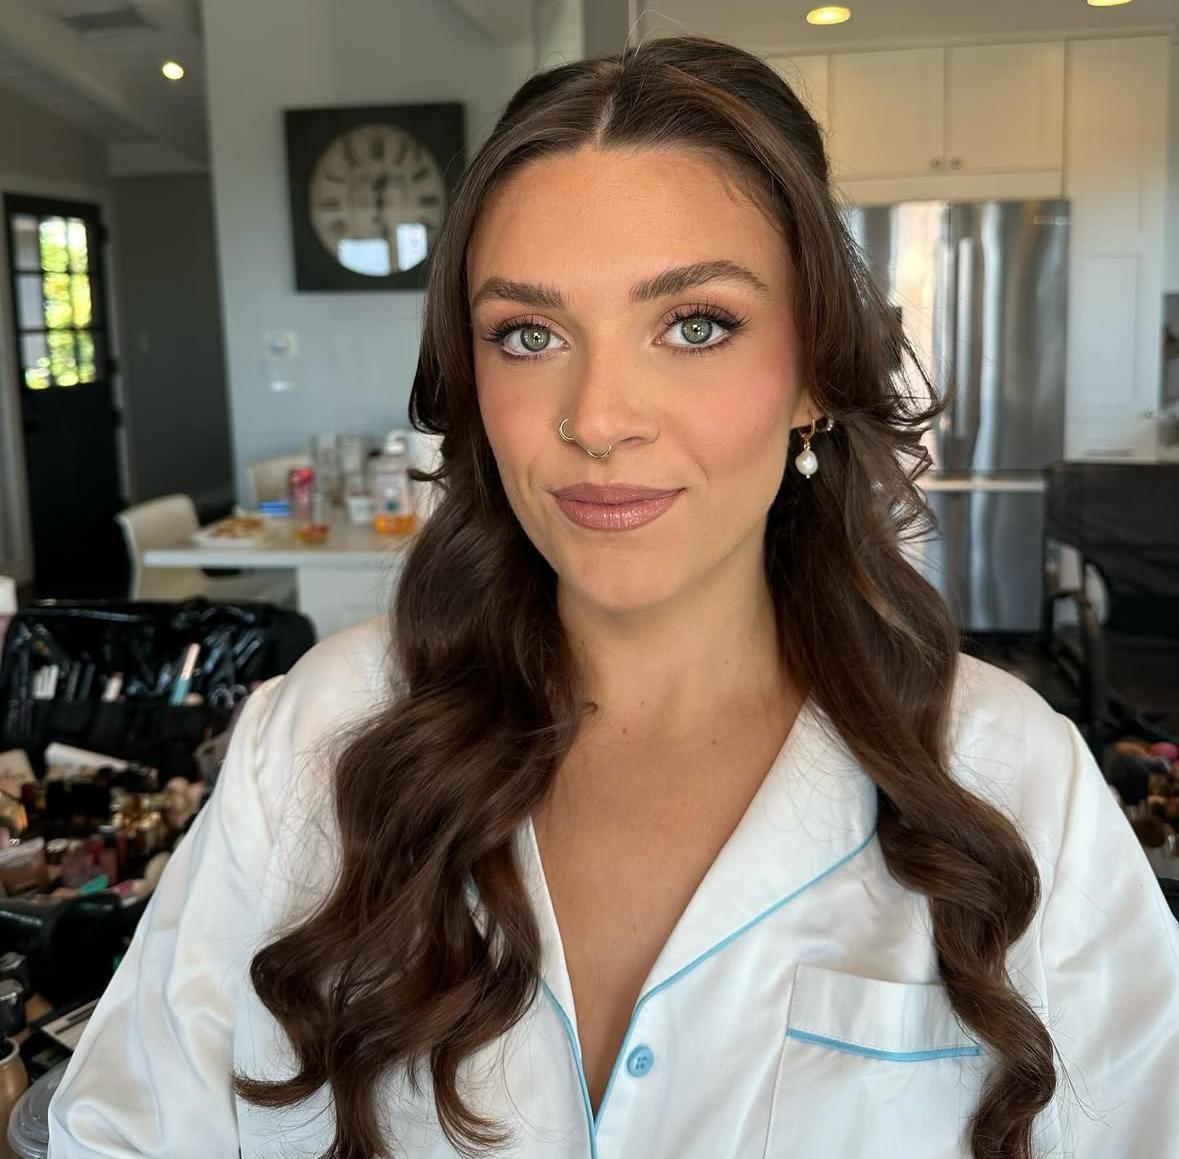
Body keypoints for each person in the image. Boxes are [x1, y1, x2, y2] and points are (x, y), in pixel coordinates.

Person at [48, 33, 1178, 1159]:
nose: (595, 418)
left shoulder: (1011, 777)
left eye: (695, 325)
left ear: (814, 375)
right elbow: (124, 1131)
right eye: (528, 334)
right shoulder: (313, 739)